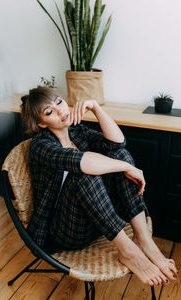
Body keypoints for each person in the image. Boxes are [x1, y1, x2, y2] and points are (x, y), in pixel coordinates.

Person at [21, 86, 178, 287]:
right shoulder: (41, 146)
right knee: (85, 174)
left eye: (59, 102)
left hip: (96, 221)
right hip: (63, 231)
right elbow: (85, 163)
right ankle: (129, 252)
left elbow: (118, 144)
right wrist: (128, 167)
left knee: (120, 155)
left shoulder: (77, 131)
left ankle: (143, 238)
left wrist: (95, 107)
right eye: (49, 112)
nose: (61, 111)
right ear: (42, 123)